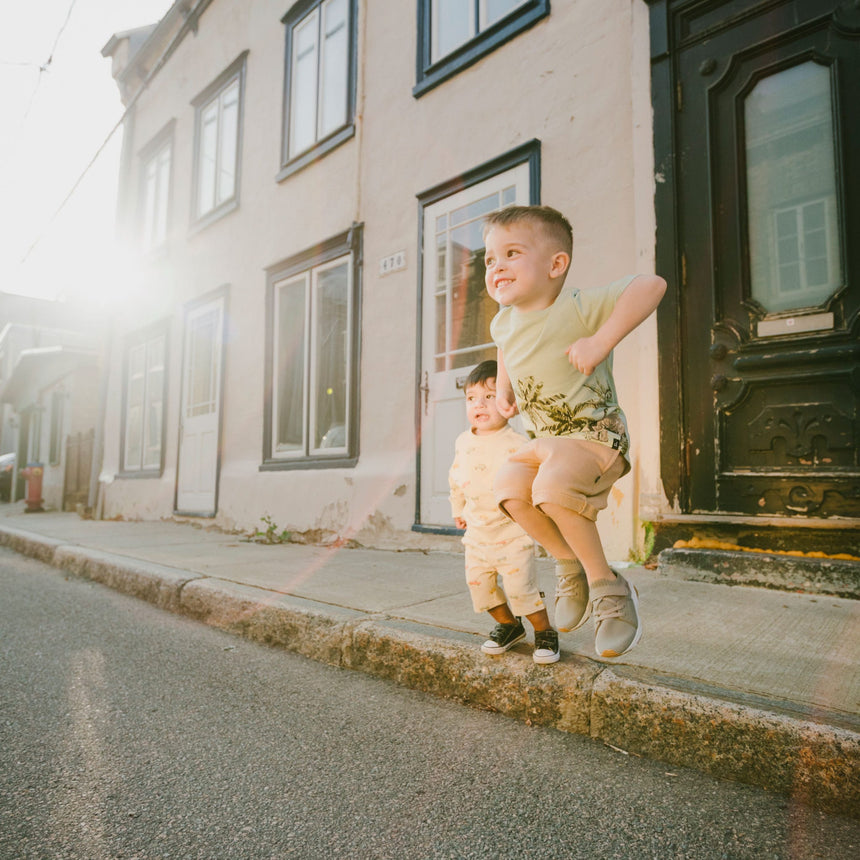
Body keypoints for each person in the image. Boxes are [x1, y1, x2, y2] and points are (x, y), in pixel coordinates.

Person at [483, 204, 666, 659]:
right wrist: (505, 391)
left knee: (551, 487)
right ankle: (571, 565)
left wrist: (600, 341)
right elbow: (506, 347)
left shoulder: (578, 307)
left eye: (511, 253)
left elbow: (652, 285)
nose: (497, 266)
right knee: (507, 487)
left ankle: (609, 587)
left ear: (555, 264)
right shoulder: (503, 320)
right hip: (545, 444)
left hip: (596, 440)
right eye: (489, 259)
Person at [449, 359, 561, 664]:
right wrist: (458, 509)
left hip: (513, 532)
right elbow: (456, 478)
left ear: (509, 402)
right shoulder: (462, 442)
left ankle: (545, 631)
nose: (479, 404)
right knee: (481, 589)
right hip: (477, 534)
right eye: (471, 398)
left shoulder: (517, 444)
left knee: (520, 588)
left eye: (489, 396)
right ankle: (510, 626)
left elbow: (536, 480)